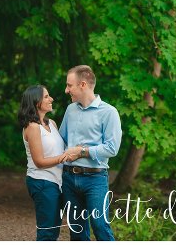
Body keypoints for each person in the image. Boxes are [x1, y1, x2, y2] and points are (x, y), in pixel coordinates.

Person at [59, 65, 122, 241]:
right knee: (77, 231)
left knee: (100, 226)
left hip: (95, 179)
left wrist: (82, 151)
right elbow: (62, 140)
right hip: (69, 178)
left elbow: (112, 148)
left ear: (83, 85)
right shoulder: (70, 110)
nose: (66, 90)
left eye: (69, 85)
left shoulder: (109, 112)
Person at [18, 85, 82, 240]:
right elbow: (39, 161)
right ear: (36, 101)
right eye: (46, 96)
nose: (51, 99)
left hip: (57, 182)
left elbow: (60, 148)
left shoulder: (51, 123)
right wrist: (66, 156)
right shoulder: (32, 127)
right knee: (48, 232)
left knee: (53, 230)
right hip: (42, 183)